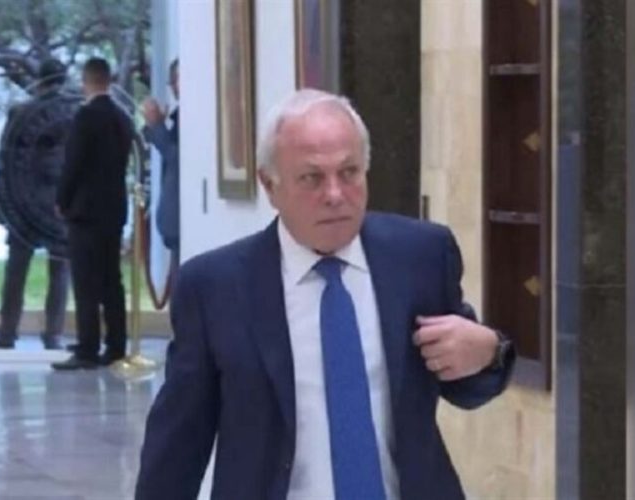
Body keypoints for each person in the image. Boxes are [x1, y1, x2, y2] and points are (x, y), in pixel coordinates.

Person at [135, 89, 515, 499]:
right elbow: (178, 444)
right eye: (312, 178)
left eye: (349, 172)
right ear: (270, 185)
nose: (335, 194)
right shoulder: (216, 287)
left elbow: (465, 385)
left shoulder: (419, 256)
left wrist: (490, 353)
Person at [0, 59, 77, 350]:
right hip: (59, 205)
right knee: (59, 271)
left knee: (16, 270)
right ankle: (53, 335)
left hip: (23, 204)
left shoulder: (21, 113)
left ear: (39, 81)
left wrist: (2, 205)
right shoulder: (74, 114)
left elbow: (5, 164)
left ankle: (7, 333)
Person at [52, 58, 134, 370]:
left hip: (85, 212)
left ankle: (87, 347)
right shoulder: (121, 117)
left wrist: (62, 199)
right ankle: (116, 345)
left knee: (85, 281)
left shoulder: (86, 117)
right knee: (111, 280)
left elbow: (74, 163)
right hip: (113, 210)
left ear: (85, 82)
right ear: (109, 80)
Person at [141, 58, 180, 266]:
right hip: (174, 223)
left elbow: (176, 157)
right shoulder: (179, 118)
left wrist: (157, 126)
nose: (173, 87)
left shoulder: (190, 118)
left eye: (175, 81)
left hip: (181, 219)